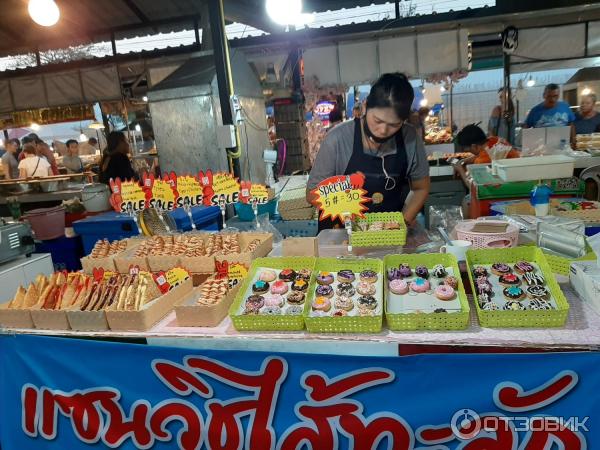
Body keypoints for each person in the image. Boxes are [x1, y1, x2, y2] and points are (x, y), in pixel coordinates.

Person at [307, 73, 430, 229]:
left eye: (394, 125)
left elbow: (421, 188)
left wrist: (402, 223)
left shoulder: (409, 139)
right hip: (340, 236)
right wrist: (345, 211)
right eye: (377, 121)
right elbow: (312, 192)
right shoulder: (338, 138)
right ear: (365, 107)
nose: (383, 130)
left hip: (387, 236)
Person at [453, 124, 520, 184]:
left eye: (467, 149)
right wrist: (465, 160)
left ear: (474, 146)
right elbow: (484, 154)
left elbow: (474, 188)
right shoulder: (494, 140)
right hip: (517, 177)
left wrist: (460, 169)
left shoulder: (481, 161)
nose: (466, 151)